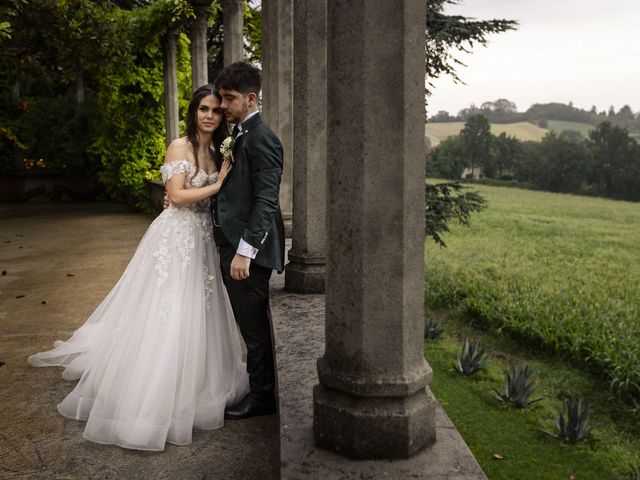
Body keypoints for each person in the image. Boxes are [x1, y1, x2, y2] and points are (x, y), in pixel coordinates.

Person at [27, 85, 249, 451]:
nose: (209, 116)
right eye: (203, 109)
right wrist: (217, 184)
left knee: (199, 310)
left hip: (204, 242)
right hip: (175, 238)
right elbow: (176, 196)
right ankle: (152, 393)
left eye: (215, 110)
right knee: (168, 309)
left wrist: (223, 185)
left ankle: (200, 383)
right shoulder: (180, 146)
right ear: (193, 112)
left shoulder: (220, 150)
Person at [210, 61, 285, 419]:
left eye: (228, 99)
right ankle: (259, 393)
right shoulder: (239, 133)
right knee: (247, 327)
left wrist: (244, 253)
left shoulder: (263, 139)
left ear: (251, 98)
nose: (222, 105)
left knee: (254, 331)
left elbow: (266, 202)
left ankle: (262, 399)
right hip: (234, 246)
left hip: (249, 254)